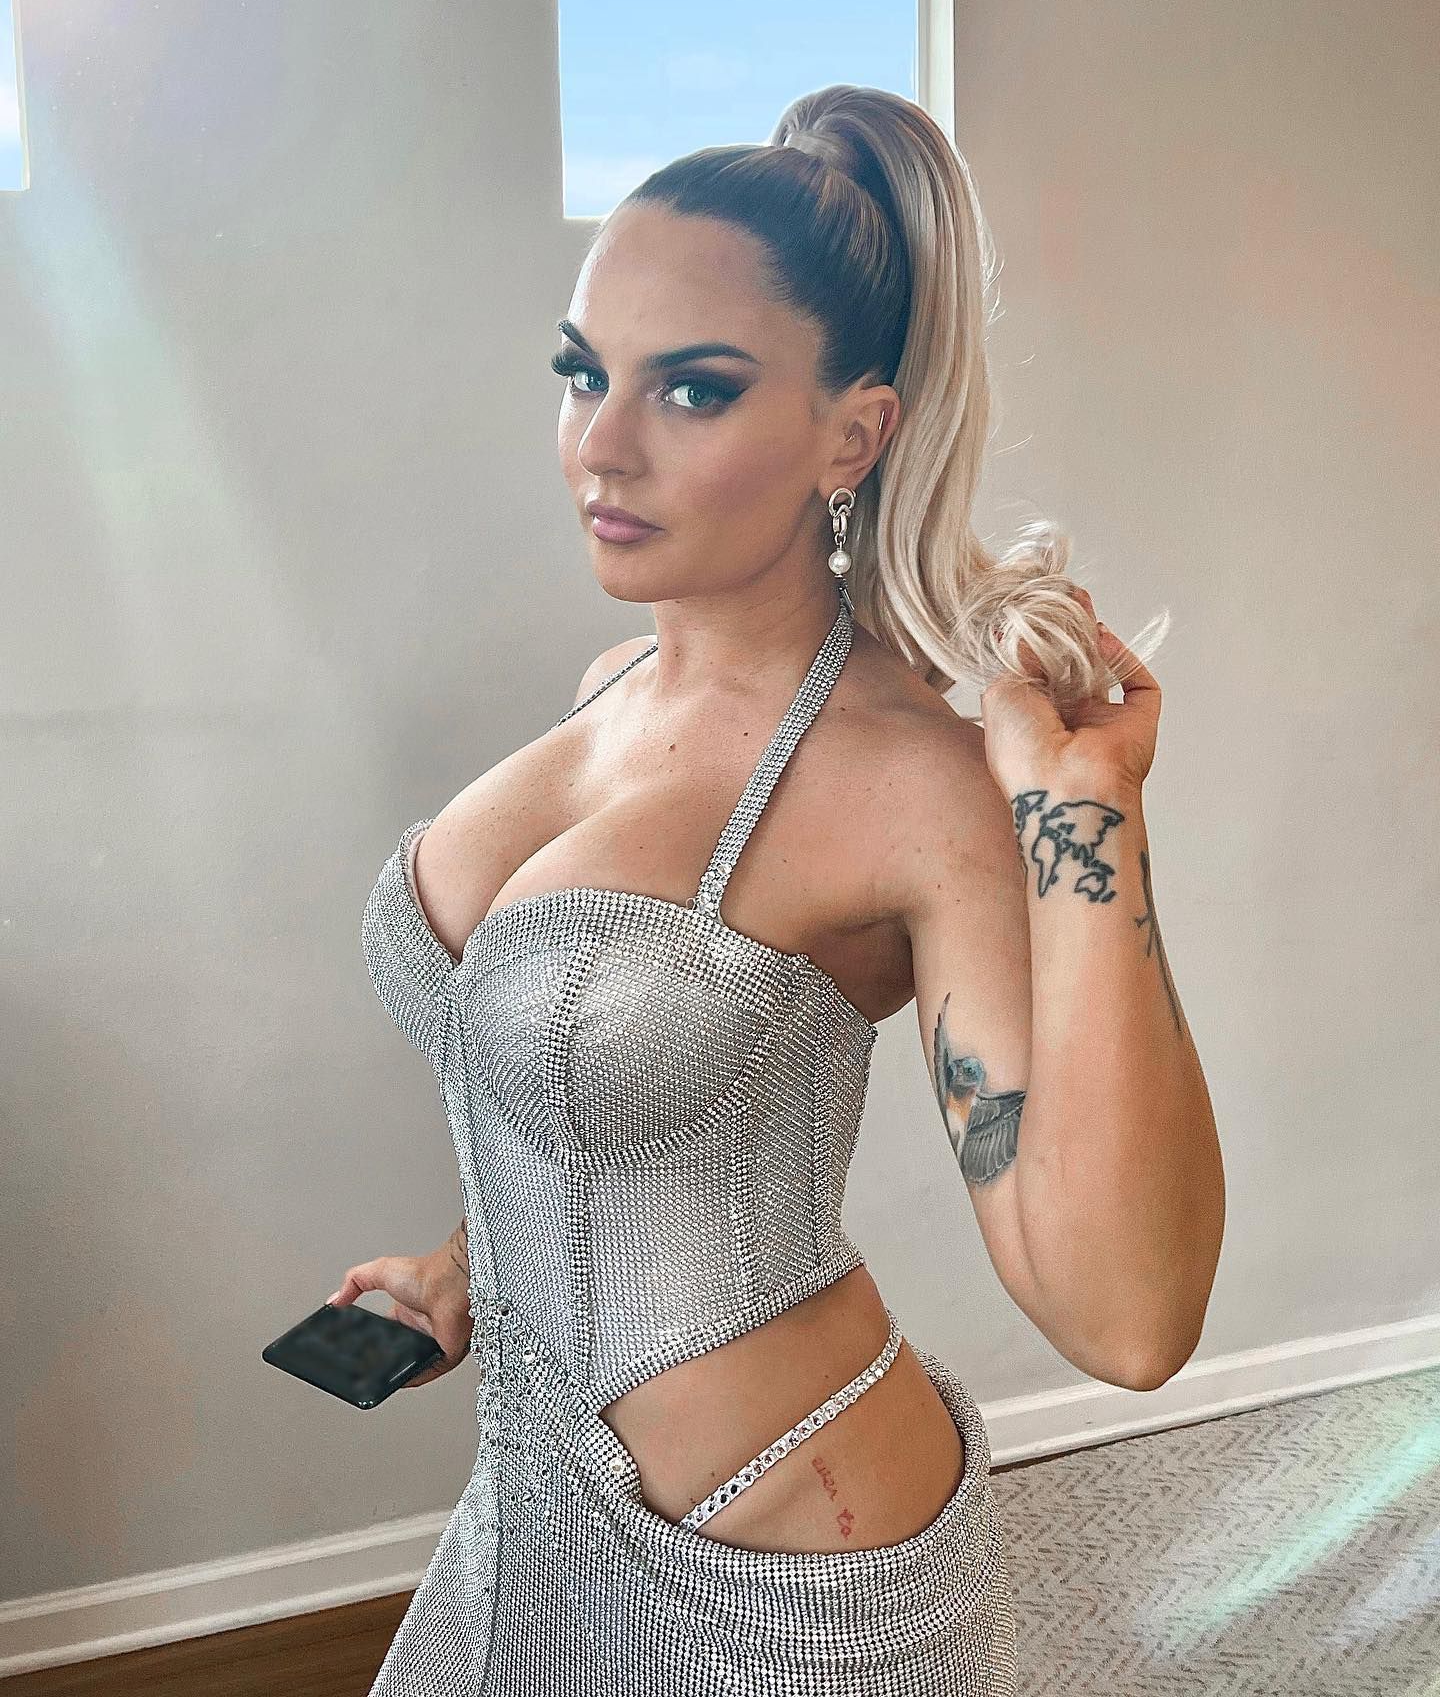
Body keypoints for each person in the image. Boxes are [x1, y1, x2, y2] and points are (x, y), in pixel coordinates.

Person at [333, 83, 1220, 1695]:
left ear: (852, 434)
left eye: (693, 389)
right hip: (528, 1498)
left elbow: (1130, 1318)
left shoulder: (915, 782)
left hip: (780, 1559)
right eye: (583, 373)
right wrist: (470, 1264)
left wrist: (1086, 819)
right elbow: (588, 1076)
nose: (602, 444)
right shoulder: (612, 687)